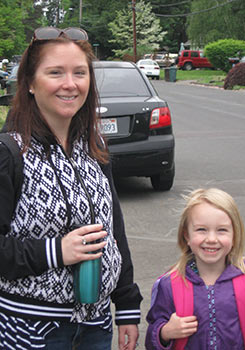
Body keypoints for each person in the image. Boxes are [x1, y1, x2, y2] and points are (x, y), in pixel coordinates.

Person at [0, 27, 142, 350]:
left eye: (79, 73)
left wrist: (127, 305)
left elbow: (114, 232)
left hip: (96, 327)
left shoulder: (94, 147)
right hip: (32, 331)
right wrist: (56, 252)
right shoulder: (9, 153)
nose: (70, 83)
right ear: (31, 83)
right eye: (55, 72)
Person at [145, 188, 245, 350]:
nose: (212, 239)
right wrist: (164, 332)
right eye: (201, 229)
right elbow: (152, 338)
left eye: (222, 230)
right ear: (186, 235)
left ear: (235, 235)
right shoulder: (169, 285)